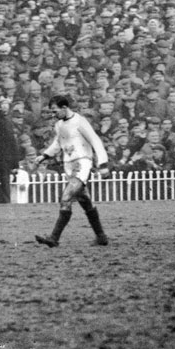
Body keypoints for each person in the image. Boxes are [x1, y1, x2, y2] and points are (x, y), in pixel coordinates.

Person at [34, 95, 110, 247]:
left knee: (66, 198)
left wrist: (103, 164)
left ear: (64, 108)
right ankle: (101, 236)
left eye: (55, 111)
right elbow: (58, 143)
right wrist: (44, 155)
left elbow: (95, 140)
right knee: (85, 201)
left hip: (82, 163)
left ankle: (54, 238)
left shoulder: (80, 121)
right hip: (68, 165)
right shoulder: (59, 125)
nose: (53, 114)